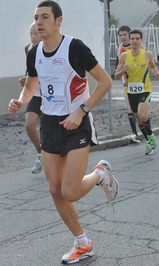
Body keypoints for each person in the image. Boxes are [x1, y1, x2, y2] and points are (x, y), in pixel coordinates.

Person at [8, 1, 119, 264]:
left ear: (59, 20)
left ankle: (100, 173)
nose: (39, 22)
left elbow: (105, 81)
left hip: (76, 124)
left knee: (70, 191)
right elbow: (32, 83)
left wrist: (81, 110)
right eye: (36, 18)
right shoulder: (34, 52)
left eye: (45, 17)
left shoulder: (74, 47)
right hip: (50, 125)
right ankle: (82, 242)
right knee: (55, 190)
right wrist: (21, 100)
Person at [114, 29, 159, 155]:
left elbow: (152, 65)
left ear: (141, 40)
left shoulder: (147, 54)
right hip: (131, 91)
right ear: (129, 40)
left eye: (137, 39)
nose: (134, 41)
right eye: (132, 39)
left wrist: (155, 71)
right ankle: (149, 140)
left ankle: (150, 135)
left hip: (145, 89)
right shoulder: (124, 56)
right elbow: (115, 76)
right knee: (138, 119)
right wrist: (122, 71)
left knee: (142, 115)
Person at [19, 22, 43, 174]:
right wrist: (26, 80)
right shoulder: (28, 49)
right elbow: (31, 72)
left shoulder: (53, 49)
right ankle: (40, 154)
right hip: (35, 94)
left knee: (50, 130)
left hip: (51, 96)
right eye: (31, 34)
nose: (33, 37)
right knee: (29, 125)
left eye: (36, 34)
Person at [112, 25, 140, 143]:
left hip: (140, 82)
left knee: (139, 112)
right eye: (121, 35)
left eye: (125, 35)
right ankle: (134, 133)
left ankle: (144, 128)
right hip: (127, 82)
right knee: (130, 107)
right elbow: (118, 65)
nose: (123, 37)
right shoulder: (120, 49)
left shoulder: (138, 46)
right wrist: (118, 72)